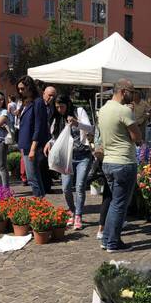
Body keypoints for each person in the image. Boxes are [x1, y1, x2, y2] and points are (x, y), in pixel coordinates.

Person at [98, 78, 142, 253]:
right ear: (123, 91)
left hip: (108, 161)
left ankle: (107, 239)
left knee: (114, 203)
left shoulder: (103, 109)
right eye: (132, 91)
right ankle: (113, 243)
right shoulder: (124, 111)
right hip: (123, 161)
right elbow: (136, 137)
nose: (134, 94)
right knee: (119, 204)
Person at [44, 94, 94, 230]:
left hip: (83, 155)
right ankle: (72, 210)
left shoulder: (79, 112)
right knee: (65, 188)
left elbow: (91, 129)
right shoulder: (57, 118)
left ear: (68, 104)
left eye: (62, 106)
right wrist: (49, 142)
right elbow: (56, 137)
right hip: (67, 158)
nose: (60, 109)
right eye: (57, 107)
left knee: (80, 186)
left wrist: (77, 123)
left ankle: (78, 215)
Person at [17, 76, 50, 197]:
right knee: (33, 176)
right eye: (19, 89)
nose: (20, 91)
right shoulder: (27, 102)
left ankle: (39, 203)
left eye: (22, 88)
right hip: (25, 144)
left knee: (32, 177)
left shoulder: (38, 102)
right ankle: (41, 203)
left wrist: (33, 148)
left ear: (29, 87)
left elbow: (38, 126)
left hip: (32, 145)